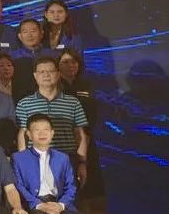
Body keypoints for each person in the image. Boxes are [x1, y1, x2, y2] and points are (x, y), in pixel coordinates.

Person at [15, 57, 90, 187]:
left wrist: (82, 163)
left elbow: (80, 135)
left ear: (58, 74)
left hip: (67, 161)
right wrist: (23, 163)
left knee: (70, 198)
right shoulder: (24, 104)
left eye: (50, 71)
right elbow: (22, 135)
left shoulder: (72, 102)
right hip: (35, 162)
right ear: (35, 76)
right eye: (41, 72)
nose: (46, 75)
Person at [58, 49, 103, 196]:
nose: (70, 65)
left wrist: (86, 133)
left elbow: (93, 111)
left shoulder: (86, 85)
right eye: (65, 62)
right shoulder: (55, 87)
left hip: (87, 137)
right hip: (65, 139)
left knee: (90, 181)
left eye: (74, 62)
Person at [11, 19, 46, 99]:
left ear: (41, 34)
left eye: (33, 31)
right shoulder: (12, 57)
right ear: (20, 36)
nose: (29, 35)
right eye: (25, 32)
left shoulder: (53, 55)